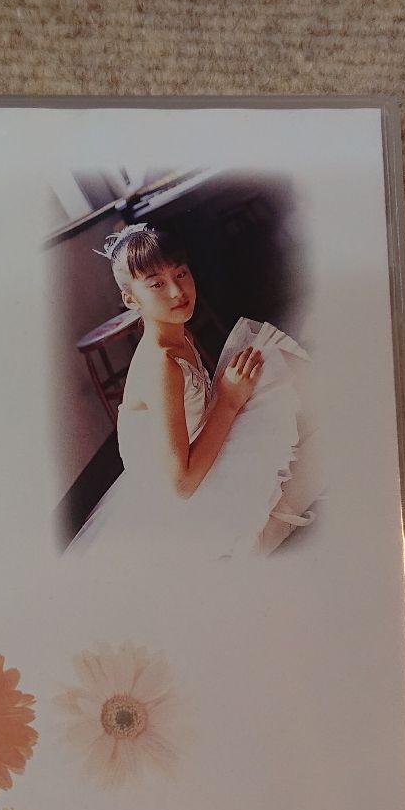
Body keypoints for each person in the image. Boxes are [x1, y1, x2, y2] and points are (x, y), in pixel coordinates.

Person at [64, 222, 323, 566]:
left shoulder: (176, 334)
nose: (177, 291)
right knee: (307, 439)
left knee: (277, 374)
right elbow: (182, 483)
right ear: (131, 299)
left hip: (196, 448)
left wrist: (230, 397)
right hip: (184, 494)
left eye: (181, 274)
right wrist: (228, 401)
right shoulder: (161, 364)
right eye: (157, 284)